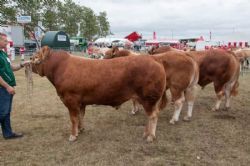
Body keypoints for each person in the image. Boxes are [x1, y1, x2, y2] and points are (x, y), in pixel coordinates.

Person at [0, 33, 29, 139]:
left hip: (7, 87)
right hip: (3, 88)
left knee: (6, 112)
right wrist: (7, 86)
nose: (6, 42)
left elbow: (11, 67)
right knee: (3, 112)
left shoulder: (3, 53)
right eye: (4, 40)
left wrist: (22, 65)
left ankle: (8, 134)